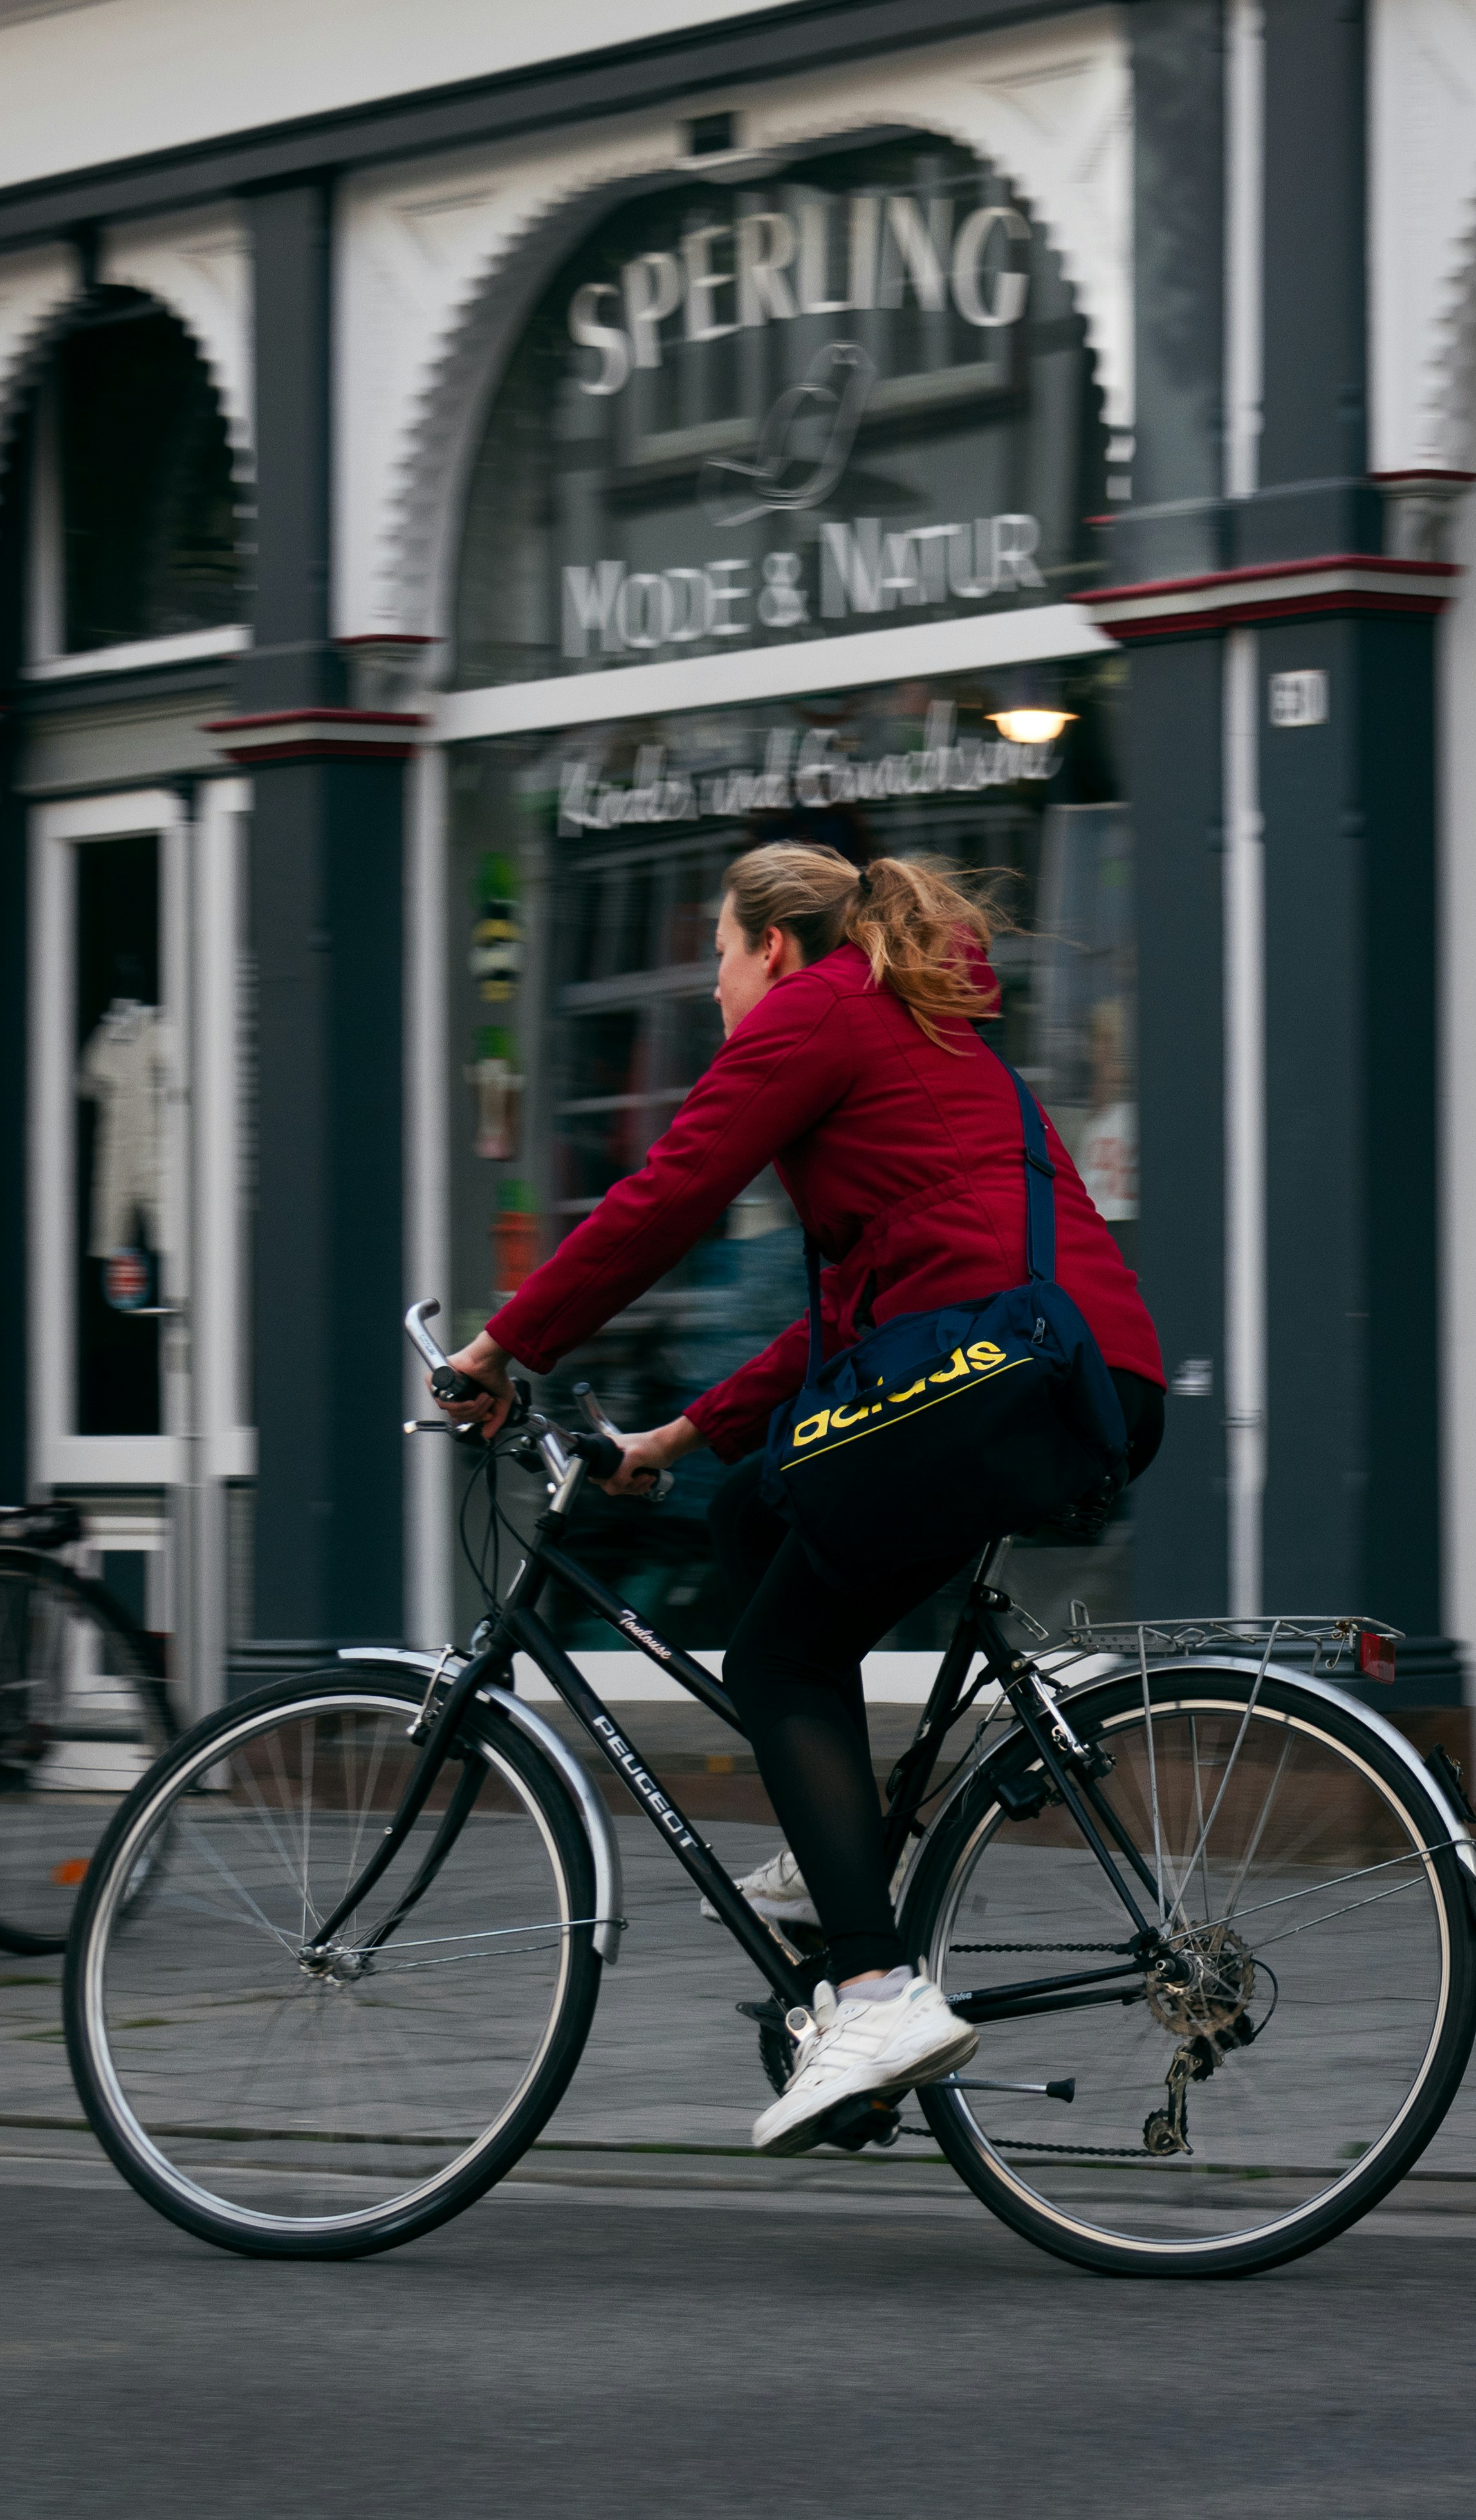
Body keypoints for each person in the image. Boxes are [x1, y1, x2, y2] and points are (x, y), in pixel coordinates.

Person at [437, 844, 1165, 2155]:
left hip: (991, 1380)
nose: (714, 990)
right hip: (1069, 1373)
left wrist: (502, 1348)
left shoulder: (820, 1012)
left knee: (776, 1650)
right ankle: (856, 1864)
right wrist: (674, 1435)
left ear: (772, 945)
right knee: (753, 1511)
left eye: (717, 954)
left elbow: (665, 1196)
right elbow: (845, 1324)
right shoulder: (922, 1035)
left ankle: (876, 1987)